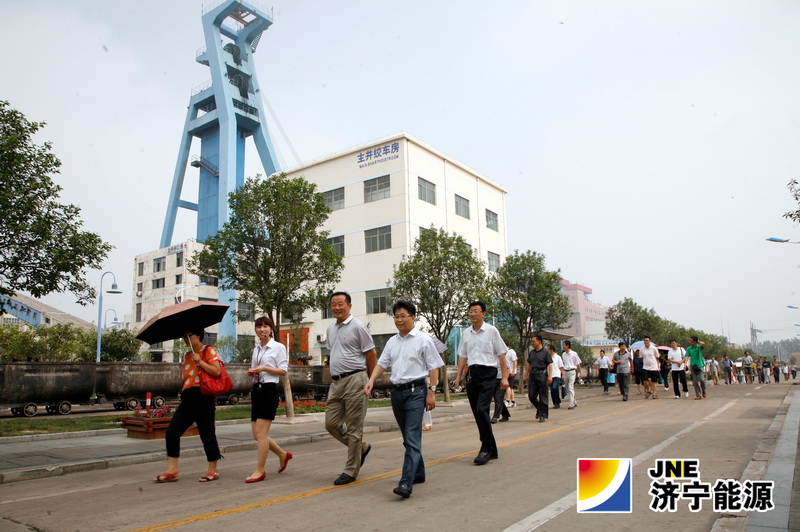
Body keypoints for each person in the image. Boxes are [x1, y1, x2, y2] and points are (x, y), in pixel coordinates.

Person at [364, 301, 443, 499]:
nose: (399, 320)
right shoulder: (392, 342)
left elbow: (434, 368)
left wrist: (432, 391)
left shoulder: (424, 340)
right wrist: (371, 381)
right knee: (408, 438)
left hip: (417, 392)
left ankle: (406, 482)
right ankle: (419, 472)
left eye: (403, 315)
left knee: (412, 437)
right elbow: (382, 363)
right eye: (396, 316)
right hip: (397, 393)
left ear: (413, 317)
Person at [153, 330, 222, 483]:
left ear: (198, 336)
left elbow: (217, 371)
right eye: (183, 336)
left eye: (188, 336)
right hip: (188, 397)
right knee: (172, 431)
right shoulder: (187, 356)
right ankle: (172, 469)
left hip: (203, 396)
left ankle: (212, 470)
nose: (185, 339)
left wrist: (201, 362)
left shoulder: (208, 351)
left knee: (207, 434)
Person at [325, 291, 378, 485]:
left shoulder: (358, 327)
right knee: (330, 424)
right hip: (336, 382)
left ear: (349, 306)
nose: (337, 307)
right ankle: (361, 448)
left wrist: (371, 380)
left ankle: (351, 470)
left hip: (356, 379)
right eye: (333, 304)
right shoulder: (331, 328)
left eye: (340, 304)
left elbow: (371, 354)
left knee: (355, 427)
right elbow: (335, 351)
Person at [453, 301, 508, 465]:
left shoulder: (492, 331)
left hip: (489, 374)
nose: (473, 314)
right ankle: (492, 449)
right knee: (478, 413)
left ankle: (485, 448)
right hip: (473, 374)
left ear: (483, 314)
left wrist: (504, 377)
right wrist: (459, 376)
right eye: (470, 311)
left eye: (476, 311)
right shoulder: (466, 333)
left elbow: (502, 355)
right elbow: (462, 355)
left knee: (482, 409)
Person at [245, 316, 292, 483]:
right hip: (256, 391)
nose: (262, 329)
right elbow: (254, 368)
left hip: (269, 391)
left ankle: (260, 470)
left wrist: (264, 368)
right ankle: (282, 454)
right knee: (256, 435)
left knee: (261, 434)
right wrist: (253, 372)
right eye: (259, 327)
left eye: (265, 326)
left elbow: (283, 371)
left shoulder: (278, 347)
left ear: (271, 329)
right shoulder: (256, 349)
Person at [525, 335, 553, 422]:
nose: (532, 343)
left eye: (533, 341)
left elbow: (550, 364)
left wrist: (550, 376)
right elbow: (529, 363)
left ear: (539, 342)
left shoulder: (545, 351)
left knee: (543, 396)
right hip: (533, 374)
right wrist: (526, 374)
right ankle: (539, 408)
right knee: (531, 396)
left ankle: (543, 415)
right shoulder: (532, 352)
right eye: (531, 342)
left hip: (542, 374)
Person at [561, 340, 581, 410]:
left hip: (572, 371)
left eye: (564, 345)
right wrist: (562, 373)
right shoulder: (563, 354)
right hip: (566, 372)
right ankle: (574, 401)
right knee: (568, 388)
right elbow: (563, 365)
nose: (563, 346)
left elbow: (578, 364)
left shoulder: (574, 354)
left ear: (567, 346)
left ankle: (571, 404)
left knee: (570, 387)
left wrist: (579, 373)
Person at [491, 358, 511, 423]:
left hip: (501, 381)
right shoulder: (490, 357)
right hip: (492, 380)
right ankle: (505, 415)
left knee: (498, 397)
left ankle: (495, 417)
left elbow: (508, 369)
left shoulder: (503, 358)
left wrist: (505, 379)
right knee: (498, 399)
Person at [504, 340, 518, 408]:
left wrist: (513, 371)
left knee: (508, 386)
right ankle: (513, 401)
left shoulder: (511, 351)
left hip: (511, 372)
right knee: (511, 387)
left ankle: (507, 400)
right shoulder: (505, 352)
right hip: (507, 371)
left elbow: (515, 361)